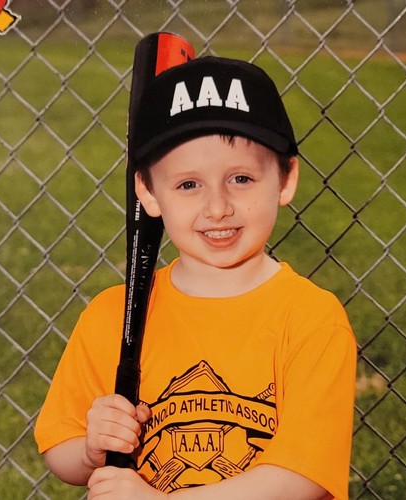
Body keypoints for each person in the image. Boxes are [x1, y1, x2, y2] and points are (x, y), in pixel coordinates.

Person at [35, 53, 357, 499]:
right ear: (148, 192)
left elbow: (300, 478)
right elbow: (60, 449)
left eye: (241, 179)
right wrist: (92, 449)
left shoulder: (311, 319)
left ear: (285, 180)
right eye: (189, 184)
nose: (217, 207)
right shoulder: (112, 315)